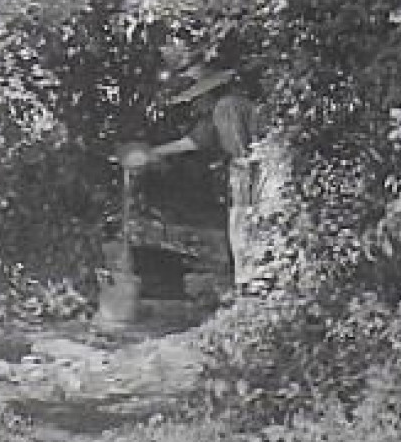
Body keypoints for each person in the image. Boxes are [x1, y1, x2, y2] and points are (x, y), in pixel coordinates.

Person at [119, 65, 280, 291]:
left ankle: (256, 289)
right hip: (252, 171)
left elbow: (243, 151)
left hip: (256, 172)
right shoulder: (219, 111)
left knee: (247, 227)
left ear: (207, 94)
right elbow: (192, 142)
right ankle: (253, 287)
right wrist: (151, 153)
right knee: (243, 230)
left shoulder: (227, 107)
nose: (194, 105)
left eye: (196, 98)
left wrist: (245, 181)